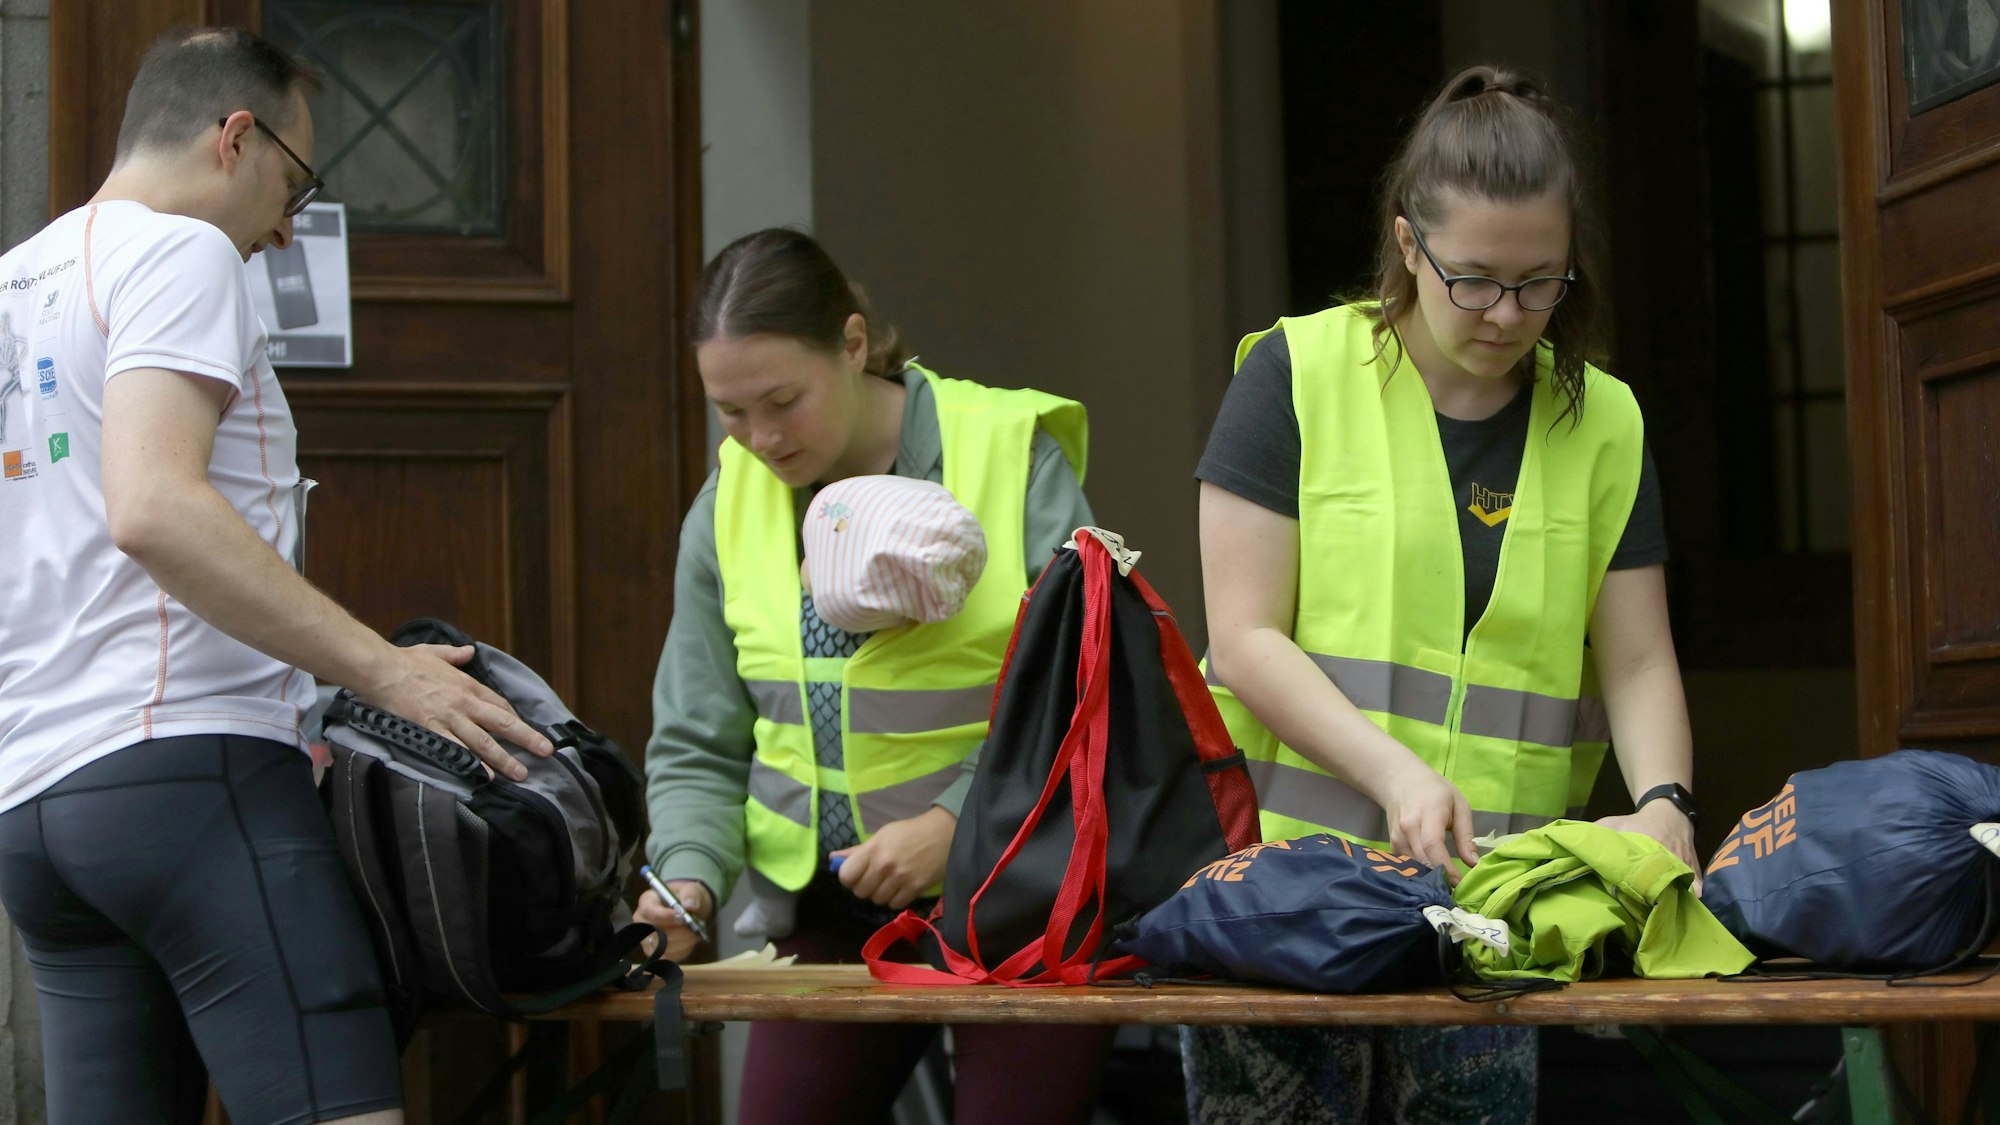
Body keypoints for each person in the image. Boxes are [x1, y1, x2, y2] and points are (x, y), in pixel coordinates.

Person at [0, 27, 551, 1125]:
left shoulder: (14, 282)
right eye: (296, 182)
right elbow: (153, 505)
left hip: (35, 804)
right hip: (186, 773)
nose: (288, 228)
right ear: (235, 138)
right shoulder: (179, 251)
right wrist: (387, 675)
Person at [1188, 65, 1697, 1123]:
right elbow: (1241, 640)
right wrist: (1395, 774)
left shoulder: (1602, 419)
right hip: (1282, 889)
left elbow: (1637, 656)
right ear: (1407, 244)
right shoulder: (1295, 373)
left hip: (1491, 908)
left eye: (1538, 281)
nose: (1507, 313)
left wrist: (1664, 806)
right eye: (1472, 278)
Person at [635, 228, 1115, 1124]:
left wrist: (952, 825)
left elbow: (1088, 693)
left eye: (783, 399)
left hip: (1022, 897)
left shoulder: (1010, 458)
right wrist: (688, 877)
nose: (760, 438)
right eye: (730, 412)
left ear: (853, 346)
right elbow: (701, 734)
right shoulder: (727, 503)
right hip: (830, 912)